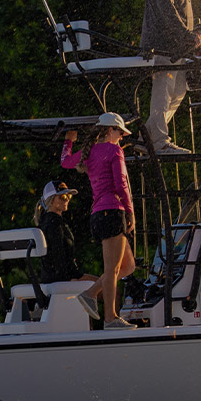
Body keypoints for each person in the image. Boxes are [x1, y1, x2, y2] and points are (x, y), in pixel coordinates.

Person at [63, 112, 139, 329]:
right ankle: (110, 319)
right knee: (113, 269)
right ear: (109, 131)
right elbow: (121, 184)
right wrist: (130, 212)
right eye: (120, 132)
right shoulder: (115, 151)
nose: (122, 136)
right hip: (113, 212)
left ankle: (90, 293)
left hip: (99, 214)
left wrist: (68, 140)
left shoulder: (90, 152)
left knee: (128, 266)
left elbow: (65, 162)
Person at [139, 0, 201, 156]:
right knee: (163, 91)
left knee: (178, 90)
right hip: (162, 47)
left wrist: (191, 33)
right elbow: (166, 9)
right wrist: (186, 36)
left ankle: (146, 137)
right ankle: (157, 142)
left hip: (174, 47)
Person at [34, 180, 98, 287]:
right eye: (62, 197)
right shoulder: (54, 223)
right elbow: (57, 254)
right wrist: (68, 279)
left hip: (53, 277)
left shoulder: (46, 221)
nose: (67, 199)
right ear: (51, 200)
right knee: (112, 290)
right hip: (63, 278)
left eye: (68, 196)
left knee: (107, 286)